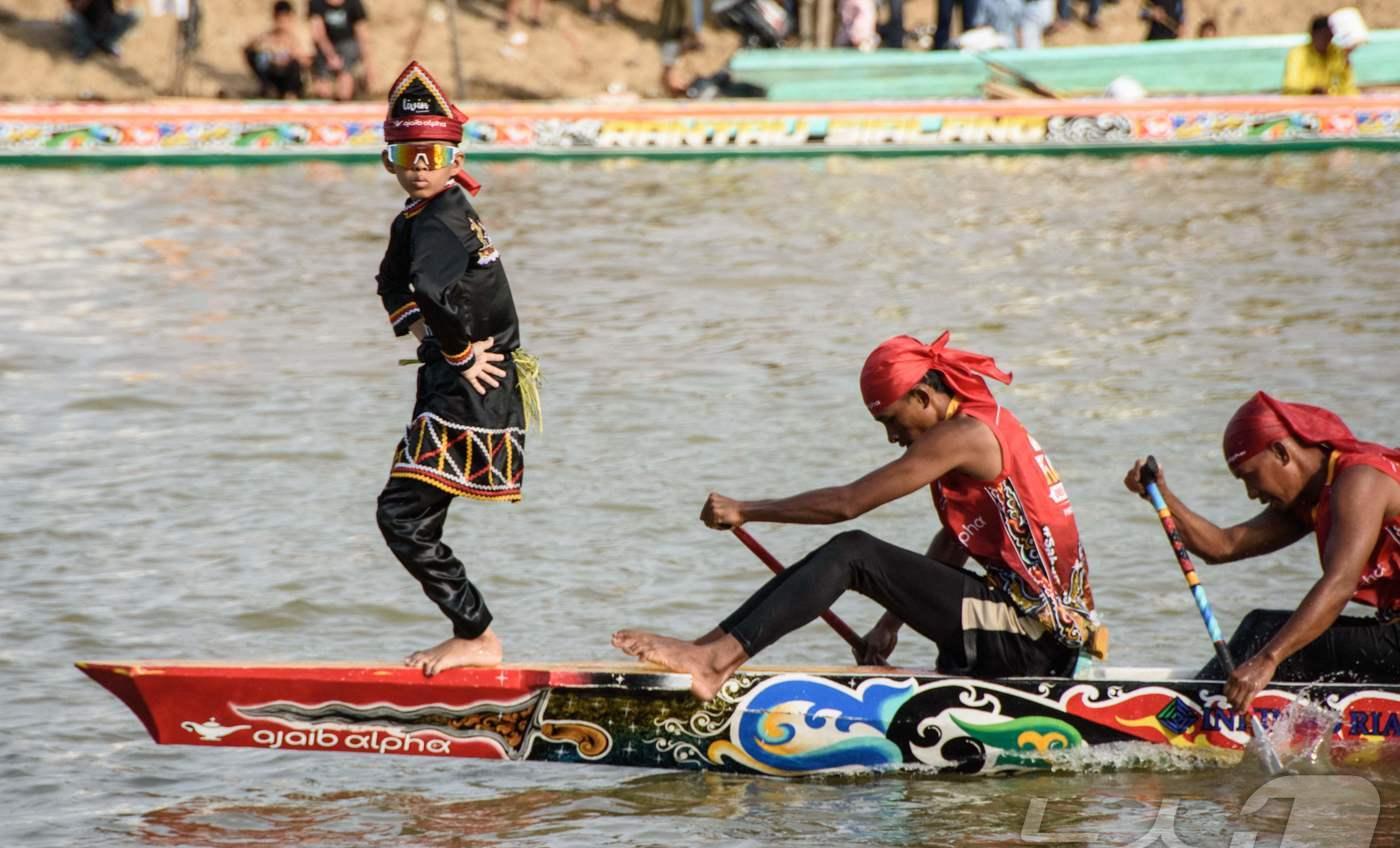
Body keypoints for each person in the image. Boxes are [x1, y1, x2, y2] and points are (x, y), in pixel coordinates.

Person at [614, 333, 1104, 700]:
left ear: (922, 397)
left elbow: (848, 503)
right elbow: (956, 541)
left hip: (1035, 639)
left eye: (892, 420)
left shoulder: (963, 435)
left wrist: (747, 510)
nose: (892, 437)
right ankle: (707, 649)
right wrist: (891, 625)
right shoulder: (981, 423)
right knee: (859, 555)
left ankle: (715, 661)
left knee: (853, 552)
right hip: (1031, 632)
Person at [374, 61, 541, 677]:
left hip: (473, 385)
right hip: (451, 379)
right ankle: (472, 631)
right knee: (411, 517)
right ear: (389, 159)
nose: (419, 165)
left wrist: (462, 353)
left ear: (454, 156)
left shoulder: (442, 216)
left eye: (432, 153)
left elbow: (428, 286)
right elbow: (394, 282)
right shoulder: (422, 216)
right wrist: (429, 338)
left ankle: (476, 634)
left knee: (400, 516)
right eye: (406, 152)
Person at [1123, 393, 1400, 711]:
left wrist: (1268, 660)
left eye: (1249, 477)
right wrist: (1159, 493)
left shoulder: (1360, 480)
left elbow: (1339, 583)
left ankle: (1185, 718)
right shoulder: (1313, 500)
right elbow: (1221, 546)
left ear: (1281, 452)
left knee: (1267, 635)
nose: (1252, 493)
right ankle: (1209, 706)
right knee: (1263, 628)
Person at [309, 0, 373, 101]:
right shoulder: (316, 3)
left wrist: (368, 66)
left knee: (344, 91)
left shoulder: (354, 3)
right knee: (323, 91)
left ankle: (349, 89)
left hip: (347, 47)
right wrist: (331, 56)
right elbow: (318, 34)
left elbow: (362, 35)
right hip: (325, 48)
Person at [245, 1, 309, 100]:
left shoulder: (299, 35)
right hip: (274, 73)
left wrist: (291, 55)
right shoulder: (268, 36)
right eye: (279, 19)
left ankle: (290, 92)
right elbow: (249, 49)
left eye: (284, 19)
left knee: (295, 65)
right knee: (258, 57)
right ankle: (269, 89)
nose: (282, 22)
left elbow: (306, 60)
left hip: (290, 77)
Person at [1282, 13, 1358, 95]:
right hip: (1304, 104)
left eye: (1329, 36)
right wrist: (1310, 92)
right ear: (1312, 34)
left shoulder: (1337, 53)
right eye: (1323, 36)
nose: (1326, 41)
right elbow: (1291, 88)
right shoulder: (1298, 54)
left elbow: (1348, 88)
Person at [66, 0, 139, 60]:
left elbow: (128, 4)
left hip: (107, 25)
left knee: (136, 14)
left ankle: (108, 43)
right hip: (87, 27)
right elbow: (74, 8)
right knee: (69, 18)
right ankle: (84, 46)